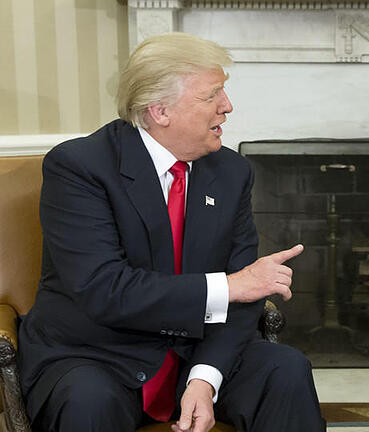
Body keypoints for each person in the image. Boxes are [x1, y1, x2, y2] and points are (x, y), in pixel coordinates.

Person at [18, 33, 325, 432]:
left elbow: (246, 296)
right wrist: (229, 287)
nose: (227, 107)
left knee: (284, 369)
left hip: (193, 350)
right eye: (212, 95)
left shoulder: (232, 173)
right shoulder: (80, 167)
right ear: (160, 111)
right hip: (96, 354)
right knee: (87, 401)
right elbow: (105, 289)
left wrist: (205, 376)